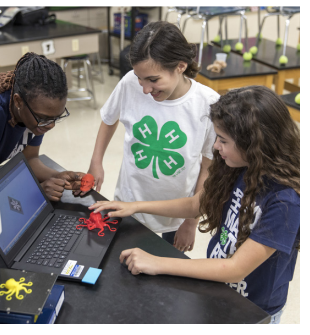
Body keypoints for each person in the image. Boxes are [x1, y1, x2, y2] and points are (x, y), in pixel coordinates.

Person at [91, 86, 299, 324]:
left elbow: (235, 268)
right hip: (220, 289)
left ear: (253, 143)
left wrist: (156, 263)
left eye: (223, 140)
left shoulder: (286, 201)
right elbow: (195, 205)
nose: (216, 147)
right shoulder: (240, 167)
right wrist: (136, 207)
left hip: (255, 308)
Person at [87, 21, 219, 252]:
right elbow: (109, 119)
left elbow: (208, 168)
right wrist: (96, 162)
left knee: (164, 273)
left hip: (176, 214)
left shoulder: (208, 104)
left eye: (153, 80)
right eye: (140, 78)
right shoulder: (130, 83)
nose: (145, 89)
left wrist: (190, 221)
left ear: (180, 66)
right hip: (128, 201)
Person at [0, 53, 83, 201]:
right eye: (44, 118)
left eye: (56, 117)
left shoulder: (37, 112)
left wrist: (57, 176)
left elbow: (30, 158)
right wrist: (35, 191)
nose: (50, 125)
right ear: (18, 102)